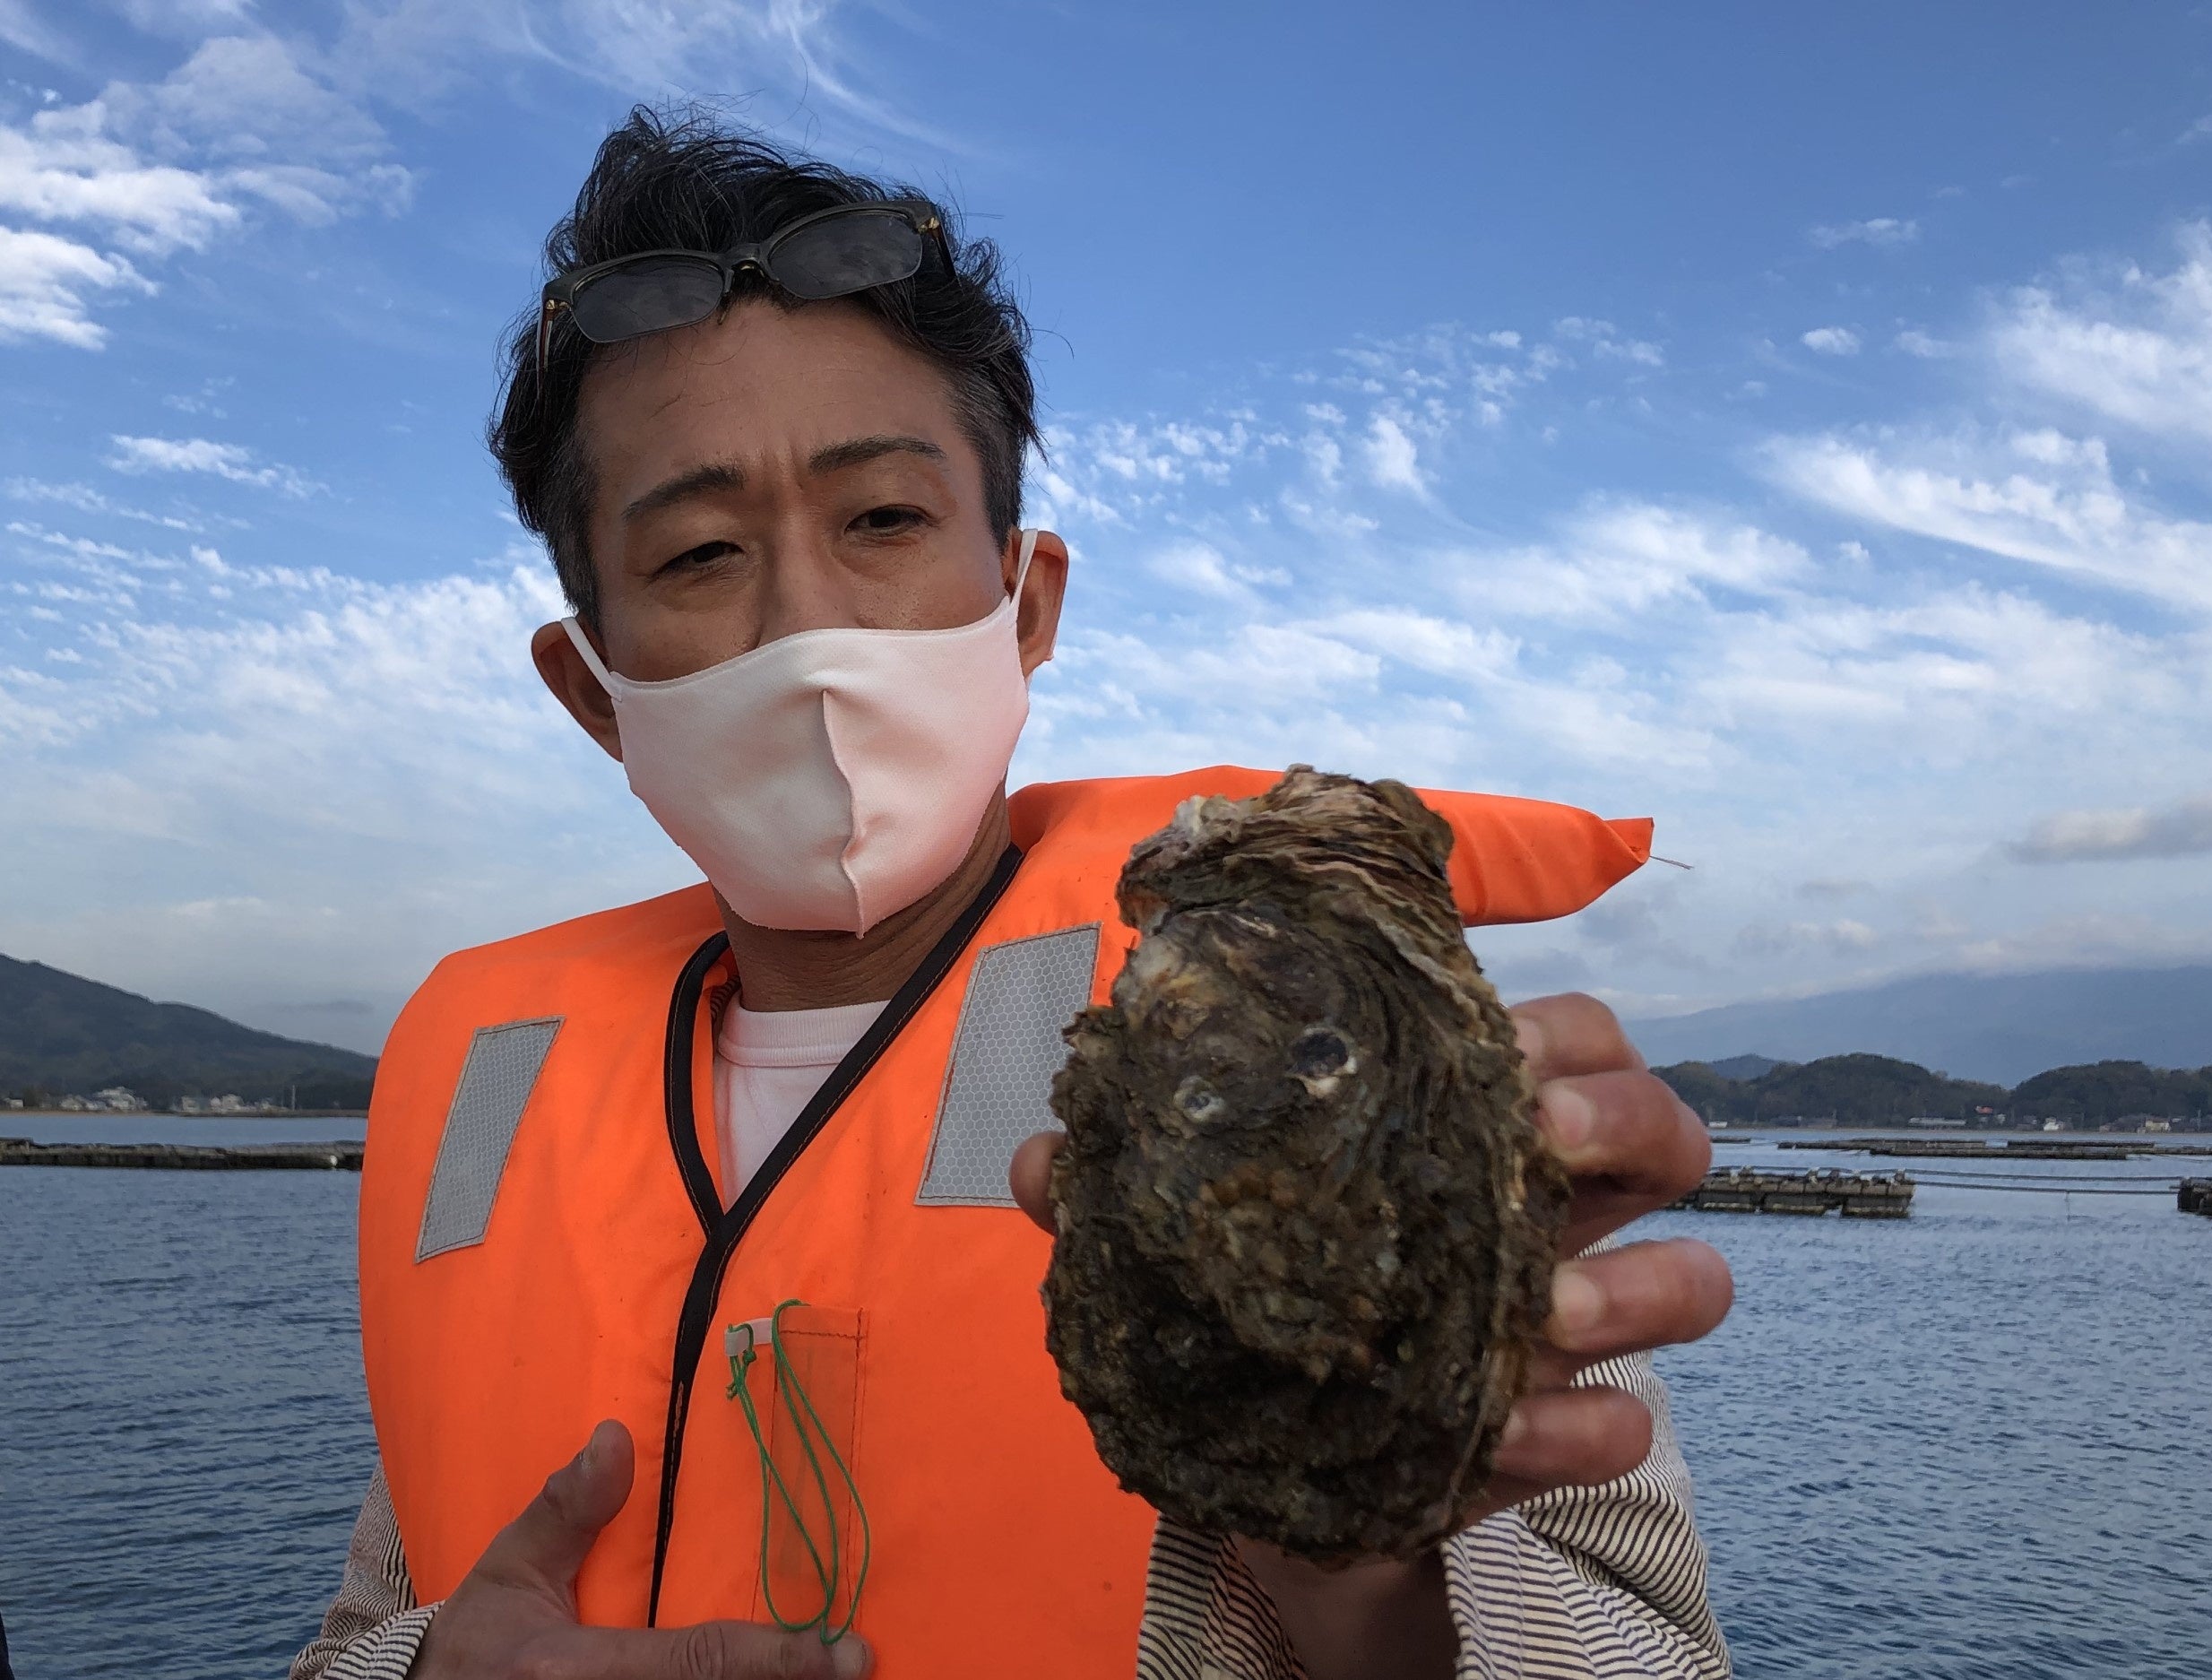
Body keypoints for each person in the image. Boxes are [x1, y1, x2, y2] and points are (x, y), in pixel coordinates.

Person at [291, 107, 1734, 1680]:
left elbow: (1643, 1650)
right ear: (592, 687)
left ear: (1025, 602)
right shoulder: (484, 1102)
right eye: (700, 554)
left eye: (886, 520)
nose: (808, 624)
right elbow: (383, 1606)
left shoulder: (1317, 1052)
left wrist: (1366, 1552)